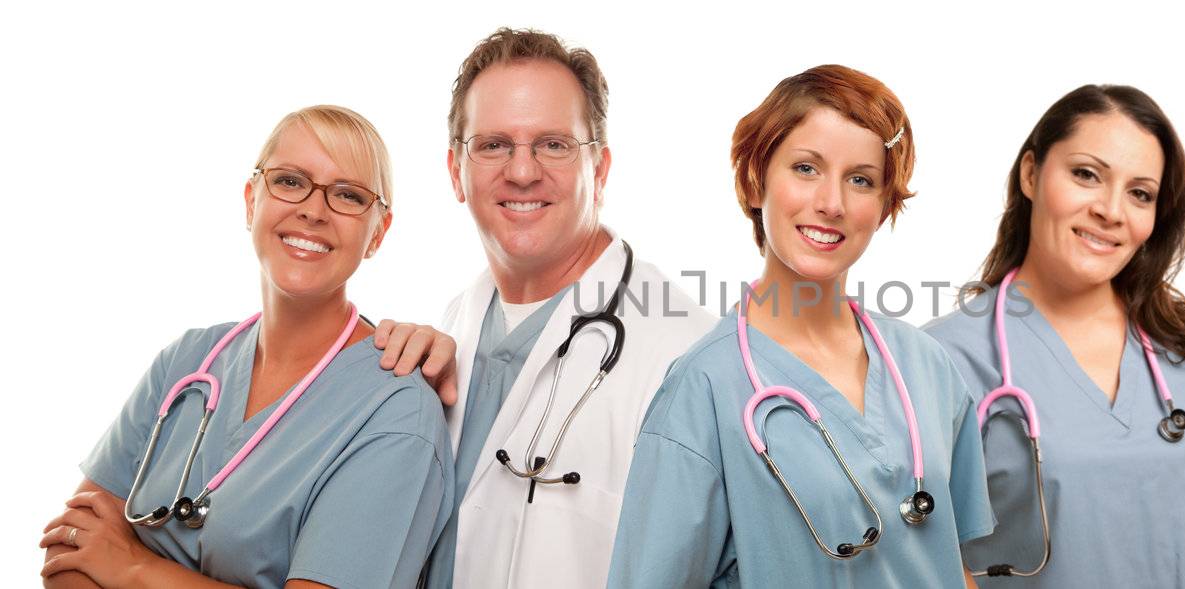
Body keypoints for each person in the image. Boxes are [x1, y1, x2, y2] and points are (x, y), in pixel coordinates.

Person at [607, 64, 992, 588]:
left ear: (882, 207)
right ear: (755, 179)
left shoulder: (928, 367)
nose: (831, 203)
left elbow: (955, 564)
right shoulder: (703, 390)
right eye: (806, 168)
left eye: (860, 180)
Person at [39, 105, 452, 588]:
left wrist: (131, 567)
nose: (313, 211)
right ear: (251, 200)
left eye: (347, 195)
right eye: (291, 181)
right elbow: (70, 551)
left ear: (377, 233)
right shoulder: (187, 362)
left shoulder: (396, 413)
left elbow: (103, 558)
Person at [378, 28, 716, 588]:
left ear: (600, 169)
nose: (523, 171)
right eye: (493, 145)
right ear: (455, 171)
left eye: (553, 144)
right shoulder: (455, 322)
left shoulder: (686, 354)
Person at [923, 84, 1185, 587]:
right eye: (1086, 175)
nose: (1111, 210)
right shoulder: (945, 359)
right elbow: (925, 553)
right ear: (1031, 174)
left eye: (1139, 193)